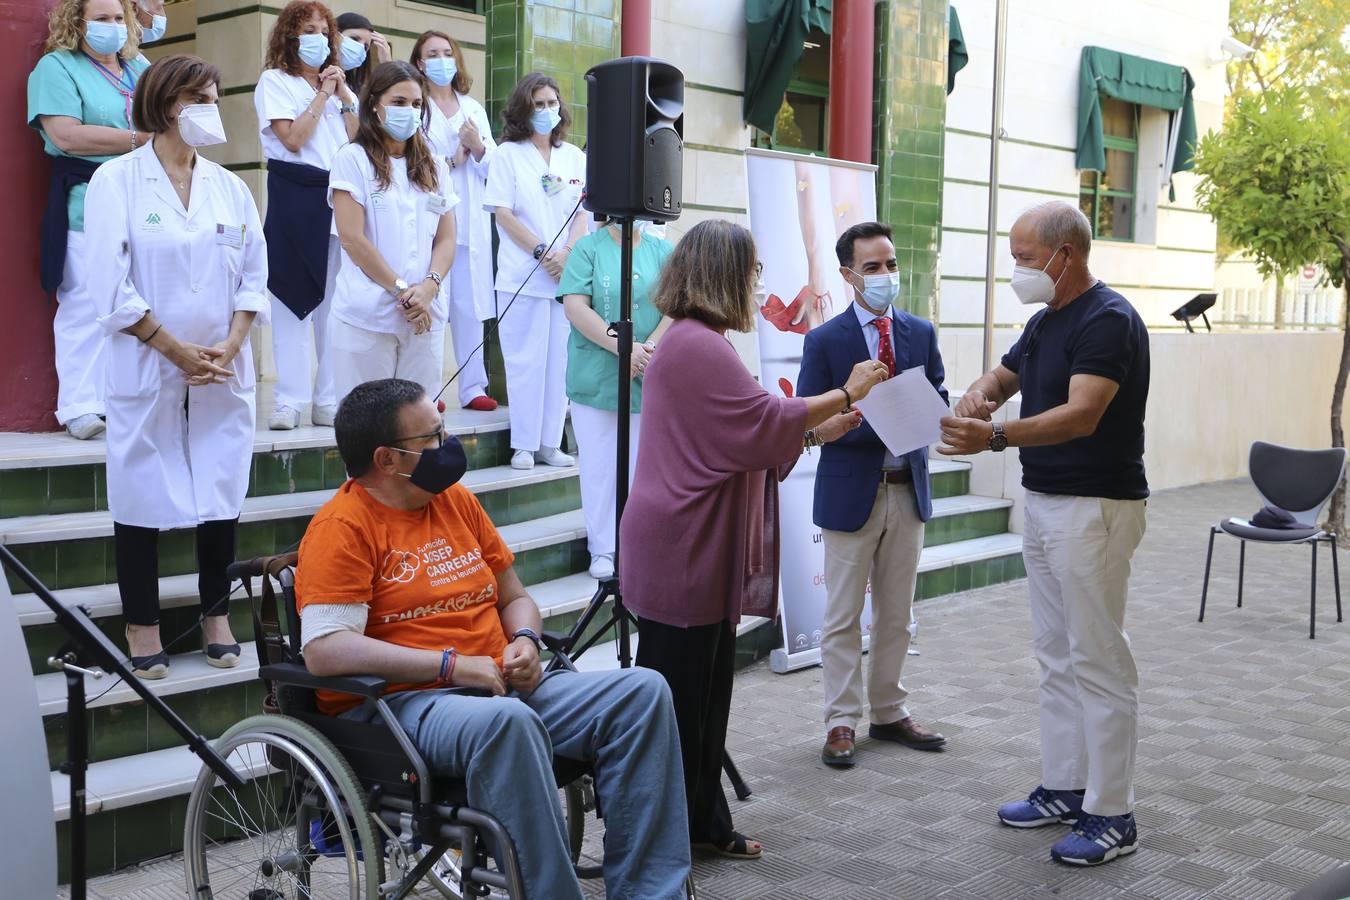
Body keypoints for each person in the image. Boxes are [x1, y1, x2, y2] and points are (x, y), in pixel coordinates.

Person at [295, 378, 692, 900]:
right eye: (433, 437)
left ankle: (649, 893)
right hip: (404, 704)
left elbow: (514, 597)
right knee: (507, 723)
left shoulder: (454, 501)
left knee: (642, 692)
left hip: (497, 682)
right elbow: (326, 650)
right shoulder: (342, 528)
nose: (449, 443)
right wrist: (451, 667)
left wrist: (524, 638)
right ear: (387, 460)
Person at [621, 220, 888, 860]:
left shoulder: (696, 341)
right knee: (684, 706)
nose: (755, 283)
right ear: (722, 275)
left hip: (690, 540)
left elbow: (745, 437)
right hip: (682, 544)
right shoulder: (697, 345)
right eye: (750, 270)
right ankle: (670, 835)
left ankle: (702, 824)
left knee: (705, 700)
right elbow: (762, 421)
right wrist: (846, 391)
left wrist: (820, 428)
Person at [937, 201, 1150, 867]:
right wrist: (976, 399)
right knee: (1056, 656)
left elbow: (1082, 413)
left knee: (1098, 660)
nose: (1018, 270)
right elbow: (1004, 378)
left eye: (1026, 258)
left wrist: (994, 433)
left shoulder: (1108, 319)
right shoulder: (1044, 321)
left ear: (1067, 253)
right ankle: (1064, 785)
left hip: (1095, 508)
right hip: (1047, 501)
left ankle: (1112, 813)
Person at [83, 54, 267, 679]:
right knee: (140, 491)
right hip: (147, 360)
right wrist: (171, 347)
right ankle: (143, 626)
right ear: (168, 106)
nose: (213, 111)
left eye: (215, 97)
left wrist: (233, 344)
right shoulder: (118, 181)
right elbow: (109, 282)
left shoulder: (230, 186)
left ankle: (216, 616)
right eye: (202, 99)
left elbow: (253, 277)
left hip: (219, 369)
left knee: (220, 488)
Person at [797, 221, 950, 768]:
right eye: (872, 268)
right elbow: (811, 417)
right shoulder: (824, 340)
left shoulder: (920, 331)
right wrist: (871, 416)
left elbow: (937, 393)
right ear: (846, 275)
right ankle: (841, 720)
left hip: (908, 489)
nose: (886, 276)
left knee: (898, 614)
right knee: (841, 616)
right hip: (851, 493)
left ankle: (889, 711)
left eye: (890, 264)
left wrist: (939, 417)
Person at [27, 0, 150, 440]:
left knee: (138, 299)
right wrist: (142, 139)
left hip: (144, 200)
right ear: (77, 22)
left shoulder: (140, 67)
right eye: (101, 19)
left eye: (119, 18)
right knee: (83, 302)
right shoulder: (57, 68)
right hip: (86, 198)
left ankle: (128, 398)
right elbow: (65, 134)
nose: (113, 27)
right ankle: (80, 405)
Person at [255, 0, 358, 430]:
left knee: (335, 305)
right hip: (296, 193)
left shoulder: (339, 89)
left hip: (338, 199)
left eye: (323, 31)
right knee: (291, 298)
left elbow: (356, 142)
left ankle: (328, 399)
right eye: (308, 30)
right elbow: (294, 139)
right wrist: (321, 95)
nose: (318, 38)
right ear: (290, 37)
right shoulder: (274, 81)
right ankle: (290, 399)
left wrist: (346, 97)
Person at [328, 61, 456, 404]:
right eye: (399, 102)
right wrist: (404, 291)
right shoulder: (352, 159)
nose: (409, 112)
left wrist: (429, 286)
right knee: (367, 426)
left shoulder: (434, 164)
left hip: (424, 315)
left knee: (417, 424)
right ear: (374, 104)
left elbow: (446, 238)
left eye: (416, 105)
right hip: (368, 314)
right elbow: (353, 238)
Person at [484, 73, 587, 470]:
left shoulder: (575, 156)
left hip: (566, 275)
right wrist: (543, 252)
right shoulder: (508, 155)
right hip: (522, 275)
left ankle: (550, 443)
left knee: (559, 362)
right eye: (538, 104)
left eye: (551, 103)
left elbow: (584, 212)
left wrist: (568, 253)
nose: (546, 111)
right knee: (525, 360)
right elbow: (503, 213)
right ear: (523, 111)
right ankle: (523, 444)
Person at [559, 220, 673, 580]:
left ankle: (638, 546)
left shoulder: (663, 252)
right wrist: (622, 346)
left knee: (644, 469)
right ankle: (603, 548)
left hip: (647, 373)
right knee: (599, 468)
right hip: (597, 375)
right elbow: (576, 307)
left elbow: (675, 307)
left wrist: (648, 348)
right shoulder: (587, 249)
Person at [412, 29, 498, 412]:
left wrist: (478, 145)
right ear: (419, 62)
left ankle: (472, 386)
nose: (442, 59)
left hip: (471, 223)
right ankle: (424, 390)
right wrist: (451, 161)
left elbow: (495, 165)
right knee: (430, 303)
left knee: (468, 306)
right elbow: (411, 160)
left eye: (447, 52)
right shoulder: (416, 104)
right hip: (430, 220)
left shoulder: (473, 109)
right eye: (433, 53)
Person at [335, 11, 390, 97]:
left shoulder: (357, 91)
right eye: (354, 39)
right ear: (335, 35)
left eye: (365, 47)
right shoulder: (313, 79)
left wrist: (387, 64)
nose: (360, 47)